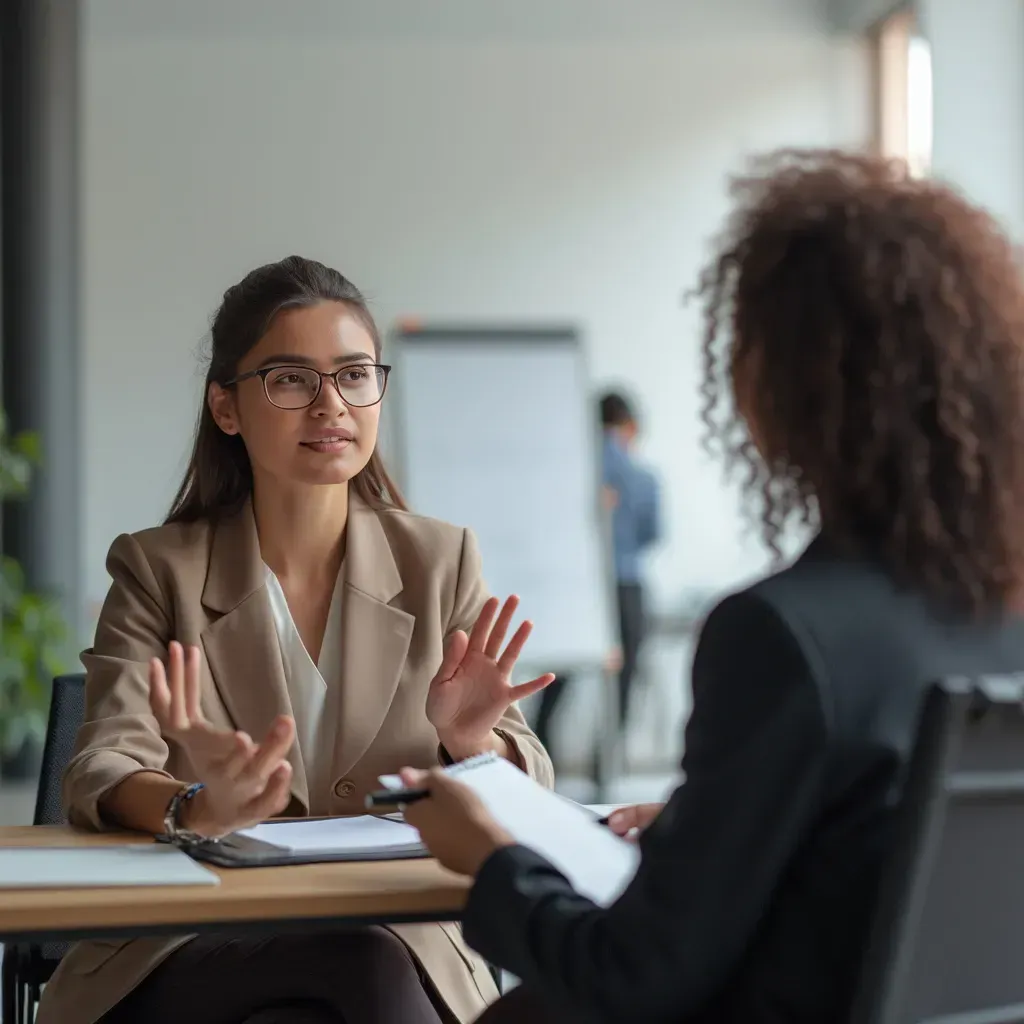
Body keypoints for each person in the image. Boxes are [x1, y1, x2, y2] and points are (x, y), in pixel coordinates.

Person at [396, 149, 1024, 1023]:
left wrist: (493, 859)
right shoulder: (1001, 619)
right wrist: (711, 829)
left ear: (790, 383)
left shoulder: (781, 635)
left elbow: (631, 975)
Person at [36, 256, 555, 1024]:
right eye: (290, 379)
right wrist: (197, 804)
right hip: (190, 942)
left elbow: (528, 784)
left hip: (401, 934)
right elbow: (102, 764)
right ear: (227, 407)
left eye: (353, 376)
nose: (330, 405)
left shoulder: (441, 562)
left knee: (365, 966)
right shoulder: (158, 569)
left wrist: (471, 746)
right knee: (362, 966)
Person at [532, 393, 660, 757]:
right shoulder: (643, 477)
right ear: (631, 427)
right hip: (627, 585)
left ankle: (540, 758)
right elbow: (654, 535)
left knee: (559, 674)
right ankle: (607, 760)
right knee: (623, 679)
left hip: (576, 589)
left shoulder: (569, 475)